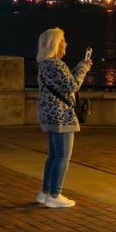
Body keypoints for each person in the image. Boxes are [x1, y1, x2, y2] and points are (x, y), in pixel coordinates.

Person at [34, 28, 92, 207]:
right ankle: (55, 196)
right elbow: (72, 85)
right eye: (63, 41)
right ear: (54, 45)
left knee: (53, 155)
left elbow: (61, 83)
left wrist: (76, 68)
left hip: (48, 115)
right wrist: (83, 69)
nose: (66, 44)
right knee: (63, 156)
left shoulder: (45, 64)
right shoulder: (56, 64)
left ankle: (44, 193)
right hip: (61, 116)